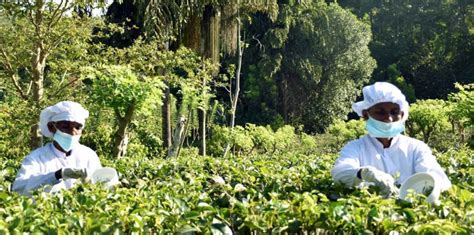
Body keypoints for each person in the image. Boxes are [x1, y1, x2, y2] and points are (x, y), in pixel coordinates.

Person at [331, 82, 451, 198]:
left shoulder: (416, 148)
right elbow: (340, 173)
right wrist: (363, 173)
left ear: (402, 115)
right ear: (366, 115)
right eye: (380, 112)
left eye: (394, 112)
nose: (388, 118)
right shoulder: (355, 147)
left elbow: (437, 179)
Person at [12, 101, 102, 195]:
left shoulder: (88, 155)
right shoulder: (36, 158)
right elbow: (20, 188)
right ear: (51, 127)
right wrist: (57, 175)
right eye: (65, 126)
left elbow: (102, 185)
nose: (72, 132)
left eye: (77, 127)